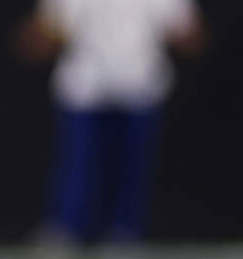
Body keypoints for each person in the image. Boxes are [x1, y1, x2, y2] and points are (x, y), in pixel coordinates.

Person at [17, 0, 205, 243]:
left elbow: (185, 29)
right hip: (85, 87)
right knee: (78, 164)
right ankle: (66, 231)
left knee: (131, 167)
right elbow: (47, 30)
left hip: (138, 84)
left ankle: (124, 233)